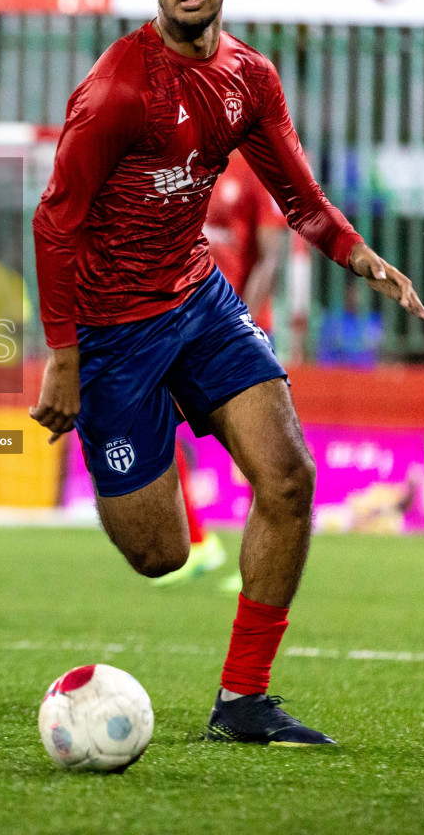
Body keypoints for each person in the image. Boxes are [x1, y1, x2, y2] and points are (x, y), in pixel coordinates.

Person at [29, 0, 424, 747]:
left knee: (289, 479)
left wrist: (360, 255)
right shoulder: (114, 93)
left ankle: (243, 701)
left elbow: (299, 195)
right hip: (110, 334)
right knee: (161, 556)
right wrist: (62, 358)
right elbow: (54, 220)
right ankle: (153, 414)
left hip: (199, 300)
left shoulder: (249, 77)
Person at [154, 155, 290, 592]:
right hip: (181, 320)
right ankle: (196, 542)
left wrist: (239, 328)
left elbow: (271, 258)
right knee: (149, 421)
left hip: (237, 325)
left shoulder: (259, 164)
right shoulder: (185, 154)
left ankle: (262, 562)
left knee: (257, 448)